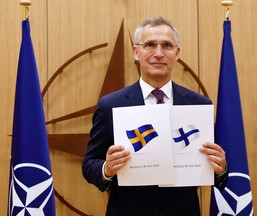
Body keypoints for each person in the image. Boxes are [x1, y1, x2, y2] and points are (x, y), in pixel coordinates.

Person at [82, 17, 228, 216]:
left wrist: (220, 168)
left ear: (177, 53)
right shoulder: (110, 105)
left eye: (166, 45)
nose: (158, 53)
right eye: (150, 45)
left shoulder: (199, 104)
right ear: (136, 52)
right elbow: (89, 164)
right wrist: (107, 169)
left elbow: (218, 171)